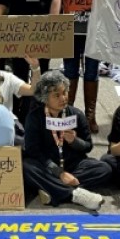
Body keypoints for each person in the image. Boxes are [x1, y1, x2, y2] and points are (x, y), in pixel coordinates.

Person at [23, 71, 111, 210]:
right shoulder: (34, 118)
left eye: (64, 92)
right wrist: (60, 173)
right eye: (56, 95)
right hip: (48, 166)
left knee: (104, 169)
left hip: (74, 164)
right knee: (26, 166)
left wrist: (75, 141)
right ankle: (74, 194)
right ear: (45, 98)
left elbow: (88, 146)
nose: (63, 98)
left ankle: (52, 189)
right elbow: (33, 151)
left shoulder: (76, 114)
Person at [62, 0, 112, 132]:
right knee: (70, 71)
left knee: (92, 72)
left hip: (94, 29)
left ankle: (90, 117)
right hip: (70, 28)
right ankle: (69, 114)